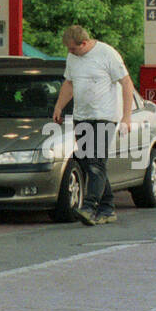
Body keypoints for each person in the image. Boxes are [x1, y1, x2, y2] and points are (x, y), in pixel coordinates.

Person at [51, 25, 134, 226]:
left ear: (85, 43)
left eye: (73, 49)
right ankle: (107, 208)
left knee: (96, 161)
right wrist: (59, 107)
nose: (70, 53)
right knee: (89, 162)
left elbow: (126, 83)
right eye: (69, 50)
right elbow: (69, 83)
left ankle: (89, 206)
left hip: (104, 116)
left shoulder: (107, 54)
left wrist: (126, 117)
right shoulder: (73, 58)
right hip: (82, 115)